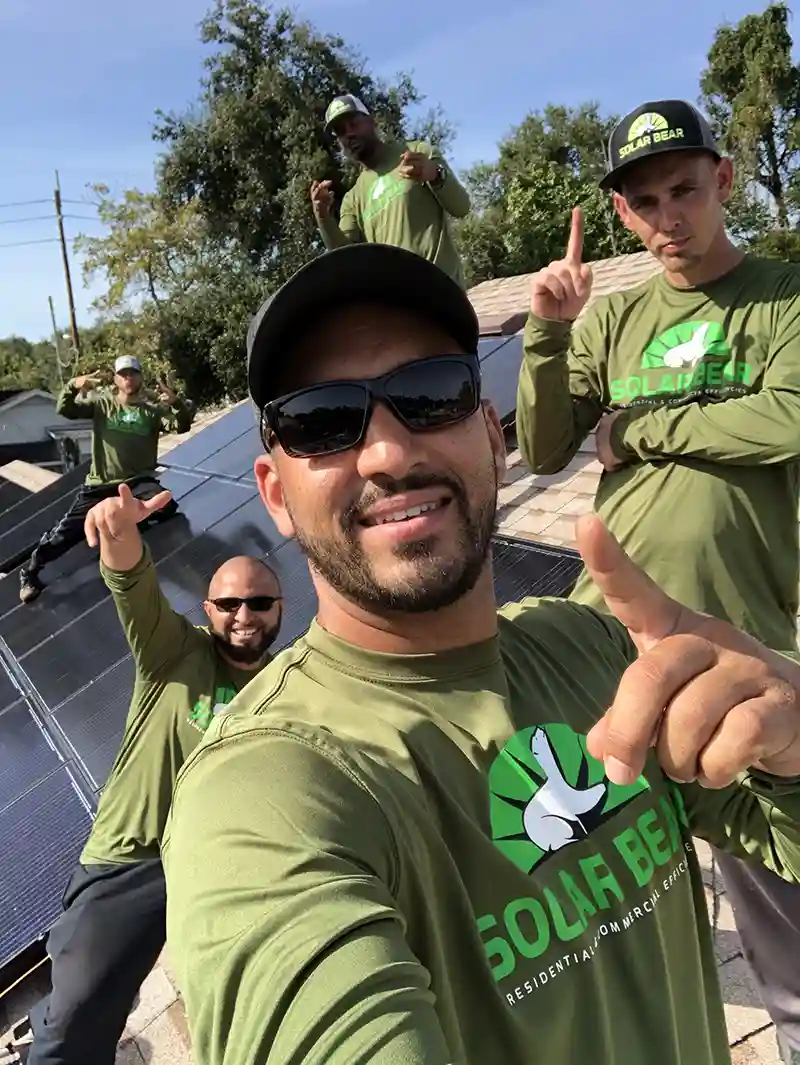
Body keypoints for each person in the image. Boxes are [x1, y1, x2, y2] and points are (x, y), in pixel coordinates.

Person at [161, 243, 800, 1065]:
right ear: (276, 493)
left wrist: (792, 743)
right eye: (321, 419)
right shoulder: (267, 794)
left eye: (430, 395)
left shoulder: (594, 645)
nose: (390, 453)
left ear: (494, 442)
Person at [515, 98, 800, 1062]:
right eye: (645, 202)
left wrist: (644, 427)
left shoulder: (784, 299)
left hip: (738, 647)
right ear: (625, 214)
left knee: (783, 919)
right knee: (588, 903)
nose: (669, 216)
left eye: (684, 189)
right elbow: (549, 445)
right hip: (607, 647)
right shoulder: (618, 320)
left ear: (722, 180)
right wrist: (549, 333)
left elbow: (788, 419)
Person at [23, 483, 282, 1065]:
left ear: (280, 609)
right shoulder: (175, 652)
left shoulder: (284, 686)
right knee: (80, 1012)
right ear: (207, 609)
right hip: (134, 859)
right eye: (228, 604)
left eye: (259, 603)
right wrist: (118, 535)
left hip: (221, 860)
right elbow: (132, 583)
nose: (244, 616)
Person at [19, 355, 195, 605]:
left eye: (133, 373)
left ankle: (129, 529)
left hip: (136, 483)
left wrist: (176, 403)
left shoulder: (152, 413)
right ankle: (30, 573)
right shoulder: (102, 405)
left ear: (141, 377)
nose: (128, 378)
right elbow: (65, 409)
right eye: (123, 374)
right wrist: (73, 386)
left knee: (164, 505)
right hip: (99, 487)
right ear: (115, 379)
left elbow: (181, 426)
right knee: (63, 536)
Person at [310, 93, 470, 286]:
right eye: (341, 131)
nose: (349, 134)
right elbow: (346, 258)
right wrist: (323, 218)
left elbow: (461, 207)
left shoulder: (417, 153)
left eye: (353, 124)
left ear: (371, 121)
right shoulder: (353, 199)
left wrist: (435, 174)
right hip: (399, 306)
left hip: (443, 293)